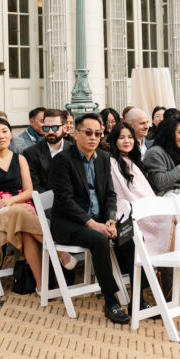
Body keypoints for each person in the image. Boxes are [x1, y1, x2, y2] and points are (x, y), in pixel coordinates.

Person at [49, 113, 130, 325]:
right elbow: (65, 202)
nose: (93, 137)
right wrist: (94, 225)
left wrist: (111, 220)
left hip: (99, 220)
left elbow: (110, 194)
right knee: (100, 240)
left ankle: (139, 297)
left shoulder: (103, 157)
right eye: (88, 133)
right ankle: (111, 301)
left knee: (129, 233)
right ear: (76, 134)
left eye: (97, 133)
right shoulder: (62, 161)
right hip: (69, 224)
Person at [0, 117, 46, 291]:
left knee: (26, 230)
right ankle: (59, 251)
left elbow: (29, 191)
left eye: (5, 132)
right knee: (19, 214)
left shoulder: (20, 159)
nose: (1, 136)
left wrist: (12, 201)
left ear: (11, 134)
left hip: (21, 204)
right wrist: (7, 205)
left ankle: (41, 285)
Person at [107, 122, 174, 256]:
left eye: (130, 137)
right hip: (134, 213)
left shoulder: (130, 160)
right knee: (171, 221)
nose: (127, 141)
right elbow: (124, 194)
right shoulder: (113, 162)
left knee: (175, 219)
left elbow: (144, 191)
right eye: (122, 138)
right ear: (114, 140)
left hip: (146, 206)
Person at [141, 115, 180, 195]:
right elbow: (160, 184)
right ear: (170, 133)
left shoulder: (177, 151)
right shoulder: (154, 153)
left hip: (178, 195)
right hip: (164, 197)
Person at [23, 108, 73, 194]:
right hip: (45, 199)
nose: (50, 132)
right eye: (46, 128)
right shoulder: (31, 153)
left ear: (64, 128)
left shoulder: (74, 150)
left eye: (55, 127)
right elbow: (34, 186)